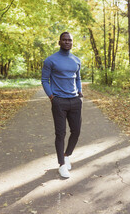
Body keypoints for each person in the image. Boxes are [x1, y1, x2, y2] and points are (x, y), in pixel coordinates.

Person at [41, 32, 83, 178]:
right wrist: (52, 97)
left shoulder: (76, 60)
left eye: (69, 40)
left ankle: (67, 155)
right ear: (59, 42)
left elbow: (78, 78)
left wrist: (80, 92)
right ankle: (62, 165)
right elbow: (44, 80)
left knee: (76, 131)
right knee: (61, 134)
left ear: (72, 42)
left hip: (75, 101)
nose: (67, 42)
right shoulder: (50, 60)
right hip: (59, 101)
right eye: (64, 40)